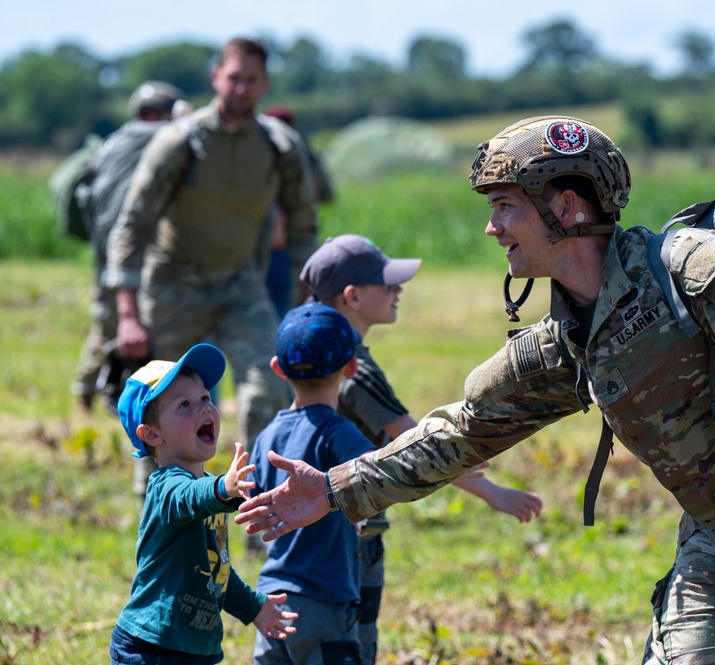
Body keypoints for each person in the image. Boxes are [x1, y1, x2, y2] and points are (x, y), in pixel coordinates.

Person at [237, 116, 715, 664]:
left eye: (504, 206)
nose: (489, 226)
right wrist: (331, 489)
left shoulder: (698, 270)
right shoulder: (563, 343)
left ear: (565, 206)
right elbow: (460, 430)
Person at [299, 234, 543, 664]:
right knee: (353, 642)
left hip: (320, 530)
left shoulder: (315, 354)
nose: (399, 292)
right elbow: (415, 444)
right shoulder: (355, 368)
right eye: (388, 285)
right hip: (352, 533)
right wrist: (493, 493)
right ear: (353, 296)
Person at [105, 37, 318, 507]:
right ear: (216, 77)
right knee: (167, 407)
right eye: (233, 77)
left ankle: (260, 502)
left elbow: (304, 225)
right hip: (173, 285)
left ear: (264, 83)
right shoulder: (180, 141)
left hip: (240, 285)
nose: (241, 88)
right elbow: (133, 224)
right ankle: (159, 505)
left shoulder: (279, 146)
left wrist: (307, 299)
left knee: (268, 387)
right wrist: (127, 313)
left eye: (252, 79)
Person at [110, 343, 297, 664]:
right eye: (184, 404)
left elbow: (216, 569)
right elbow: (189, 498)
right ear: (152, 435)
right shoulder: (165, 488)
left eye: (206, 398)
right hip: (151, 646)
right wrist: (224, 487)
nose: (205, 409)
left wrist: (252, 607)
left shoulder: (206, 487)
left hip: (199, 648)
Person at [249, 302, 376, 664]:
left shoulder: (266, 437)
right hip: (324, 599)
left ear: (277, 369)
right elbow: (378, 472)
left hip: (271, 599)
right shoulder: (339, 432)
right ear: (351, 367)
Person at [71, 80, 185, 415]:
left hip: (107, 253)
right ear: (152, 114)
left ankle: (88, 395)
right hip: (132, 254)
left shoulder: (110, 145)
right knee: (119, 330)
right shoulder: (154, 138)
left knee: (108, 325)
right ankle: (102, 397)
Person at [261, 104, 336, 318]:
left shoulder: (272, 154)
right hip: (291, 240)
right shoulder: (305, 153)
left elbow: (327, 195)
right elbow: (327, 195)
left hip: (284, 240)